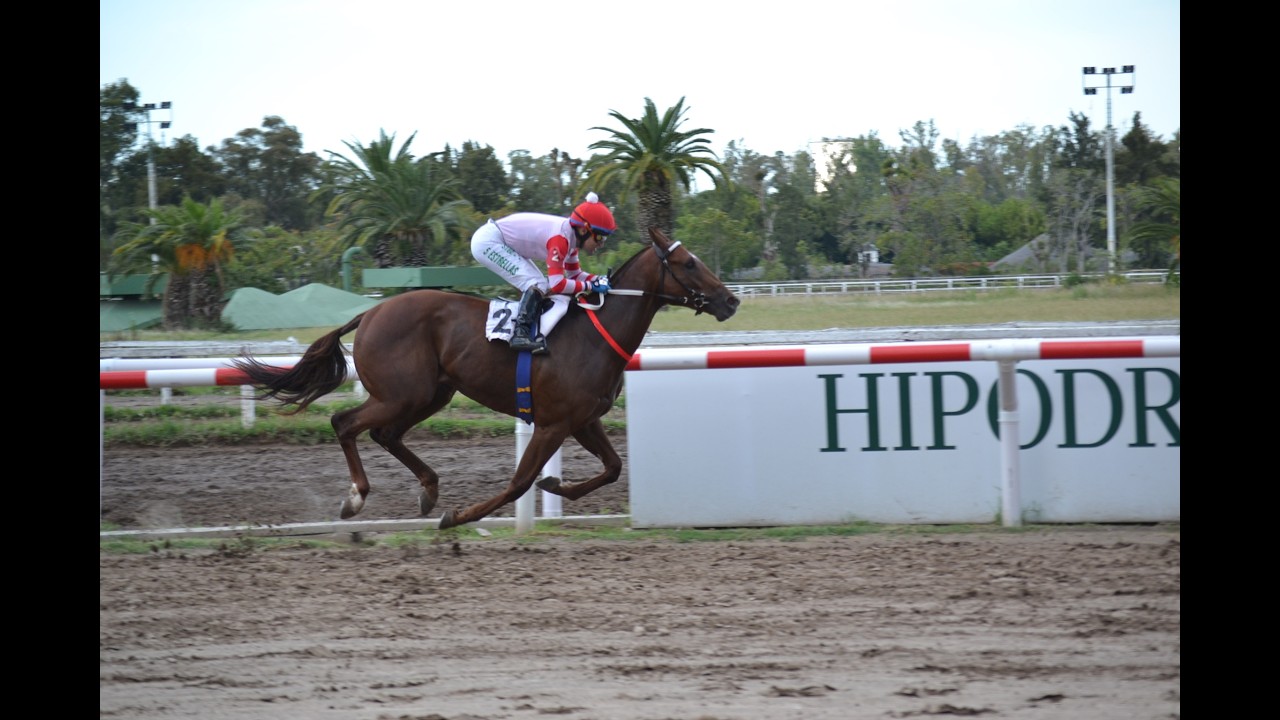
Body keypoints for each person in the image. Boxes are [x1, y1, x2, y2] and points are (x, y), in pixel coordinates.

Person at [470, 192, 616, 354]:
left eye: (605, 239)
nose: (602, 244)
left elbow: (574, 275)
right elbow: (558, 284)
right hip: (489, 242)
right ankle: (520, 334)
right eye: (600, 237)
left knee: (540, 284)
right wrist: (591, 285)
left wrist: (597, 279)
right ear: (583, 230)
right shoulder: (561, 240)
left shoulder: (571, 241)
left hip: (500, 240)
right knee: (539, 284)